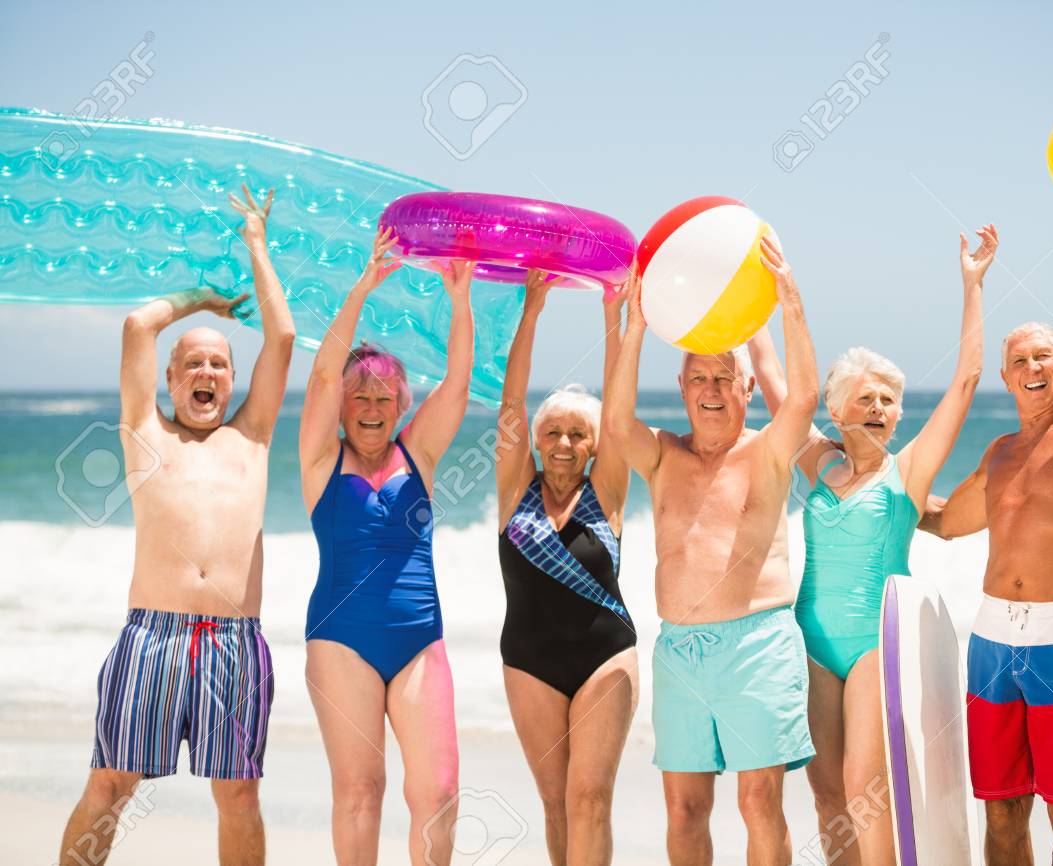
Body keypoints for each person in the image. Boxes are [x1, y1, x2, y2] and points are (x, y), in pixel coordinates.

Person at [58, 186, 294, 866]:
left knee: (240, 795)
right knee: (109, 784)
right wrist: (203, 301)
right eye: (194, 361)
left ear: (230, 380)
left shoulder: (251, 437)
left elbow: (280, 336)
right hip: (151, 634)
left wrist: (256, 245)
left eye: (219, 363)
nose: (208, 371)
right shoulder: (146, 434)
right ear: (170, 376)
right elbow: (137, 324)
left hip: (235, 642)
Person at [750, 225, 996, 864]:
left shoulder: (906, 474)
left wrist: (972, 285)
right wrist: (755, 306)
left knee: (867, 789)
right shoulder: (818, 464)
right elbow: (777, 380)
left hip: (871, 644)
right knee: (827, 795)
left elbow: (966, 380)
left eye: (890, 401)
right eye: (867, 398)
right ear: (838, 410)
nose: (882, 408)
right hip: (809, 640)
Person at [605, 237, 818, 866]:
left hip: (758, 645)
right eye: (698, 377)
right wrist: (636, 326)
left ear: (747, 386)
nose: (711, 388)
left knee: (759, 803)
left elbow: (802, 400)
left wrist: (790, 303)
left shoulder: (768, 452)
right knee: (685, 811)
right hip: (679, 651)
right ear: (681, 385)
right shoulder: (663, 455)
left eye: (724, 376)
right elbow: (616, 426)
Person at [920, 228, 1053, 866]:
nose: (1031, 368)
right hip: (991, 643)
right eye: (1019, 360)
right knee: (1002, 811)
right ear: (1006, 377)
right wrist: (871, 490)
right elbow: (946, 521)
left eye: (1044, 357)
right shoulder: (1000, 454)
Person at [298, 227, 473, 866]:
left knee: (441, 792)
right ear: (344, 407)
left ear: (400, 404)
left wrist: (459, 297)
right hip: (341, 639)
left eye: (384, 396)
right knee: (361, 791)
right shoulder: (321, 458)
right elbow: (319, 378)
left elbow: (456, 385)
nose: (372, 405)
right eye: (360, 395)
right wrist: (365, 285)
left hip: (420, 641)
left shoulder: (416, 452)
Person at [494, 269, 637, 865]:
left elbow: (619, 399)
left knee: (590, 798)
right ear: (534, 439)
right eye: (551, 431)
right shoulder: (512, 493)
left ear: (595, 445)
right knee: (556, 802)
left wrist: (614, 316)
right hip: (529, 661)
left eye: (578, 434)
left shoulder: (608, 491)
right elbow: (510, 402)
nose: (562, 443)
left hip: (605, 657)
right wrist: (532, 309)